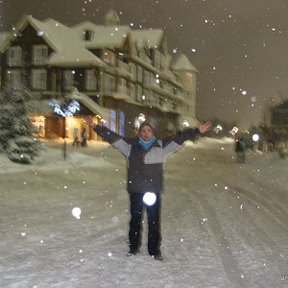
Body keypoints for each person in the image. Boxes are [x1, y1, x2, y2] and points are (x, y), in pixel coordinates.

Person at [85, 116, 211, 261]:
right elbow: (112, 137)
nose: (146, 133)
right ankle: (133, 248)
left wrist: (196, 131)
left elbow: (180, 138)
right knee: (135, 220)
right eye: (143, 130)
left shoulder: (162, 146)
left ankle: (154, 251)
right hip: (137, 190)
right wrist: (96, 127)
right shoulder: (129, 146)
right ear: (139, 133)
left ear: (153, 132)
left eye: (149, 130)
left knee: (153, 221)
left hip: (153, 190)